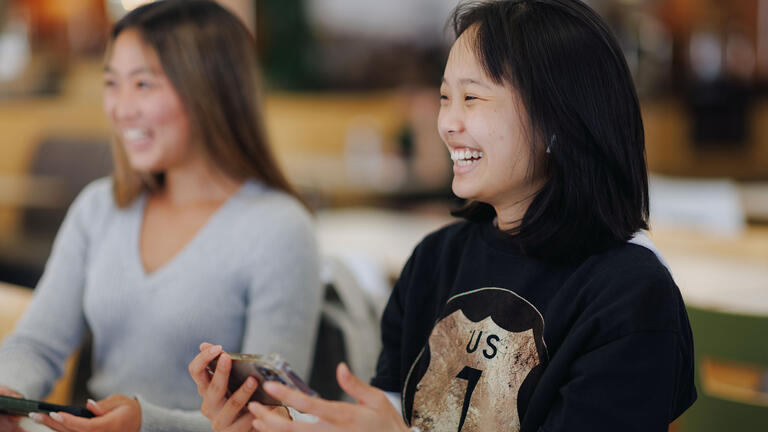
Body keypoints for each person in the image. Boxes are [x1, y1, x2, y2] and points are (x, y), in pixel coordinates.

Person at [188, 0, 696, 431]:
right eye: (444, 97)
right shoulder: (436, 259)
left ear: (558, 118)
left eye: (472, 98)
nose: (447, 123)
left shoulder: (629, 295)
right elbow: (393, 415)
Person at [0, 1, 322, 431]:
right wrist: (10, 396)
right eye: (112, 83)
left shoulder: (279, 228)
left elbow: (270, 415)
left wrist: (145, 423)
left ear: (210, 87)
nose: (120, 107)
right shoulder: (100, 207)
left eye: (143, 84)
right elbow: (38, 343)